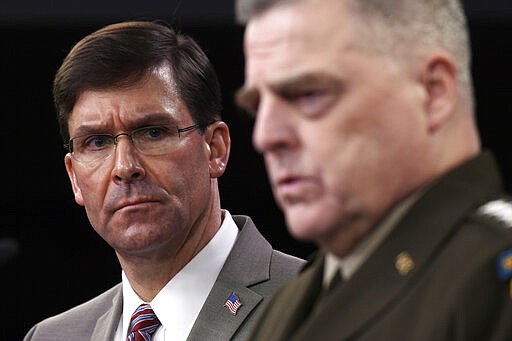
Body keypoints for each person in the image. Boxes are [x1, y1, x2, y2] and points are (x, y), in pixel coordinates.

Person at [234, 0, 512, 340]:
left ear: (433, 92)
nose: (265, 137)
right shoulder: (290, 302)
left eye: (307, 94)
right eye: (258, 106)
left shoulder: (494, 279)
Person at [23, 20, 304, 341]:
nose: (124, 167)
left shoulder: (323, 307)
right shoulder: (52, 336)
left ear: (215, 149)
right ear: (74, 177)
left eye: (154, 132)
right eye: (97, 142)